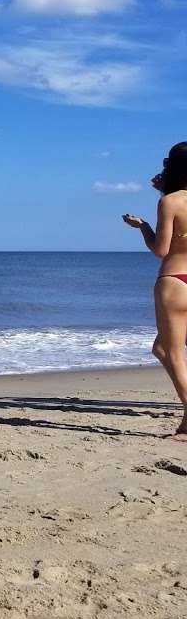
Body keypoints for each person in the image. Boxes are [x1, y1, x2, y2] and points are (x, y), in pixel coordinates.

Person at [123, 141, 187, 442]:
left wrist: (143, 227)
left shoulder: (170, 202)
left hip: (174, 280)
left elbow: (160, 249)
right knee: (161, 349)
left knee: (171, 352)